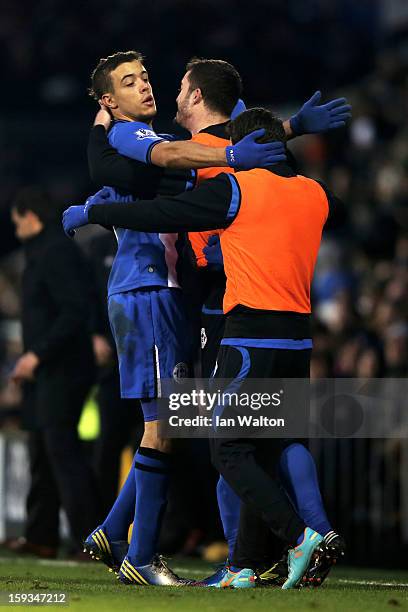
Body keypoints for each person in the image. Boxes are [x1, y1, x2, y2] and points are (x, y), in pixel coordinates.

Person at [86, 57, 349, 587]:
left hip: (209, 306)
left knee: (208, 430)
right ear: (109, 101)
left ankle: (227, 556)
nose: (154, 86)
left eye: (161, 81)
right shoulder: (152, 140)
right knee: (202, 426)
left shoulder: (216, 161)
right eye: (131, 80)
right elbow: (144, 161)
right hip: (184, 299)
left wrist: (285, 131)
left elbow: (213, 154)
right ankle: (242, 551)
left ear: (198, 97)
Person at [9, 186, 98, 558]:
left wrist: (37, 355)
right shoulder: (43, 253)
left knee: (63, 453)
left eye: (17, 223)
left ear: (32, 217)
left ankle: (91, 540)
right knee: (42, 453)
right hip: (46, 373)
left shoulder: (56, 253)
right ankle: (40, 536)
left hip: (63, 369)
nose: (15, 231)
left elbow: (73, 312)